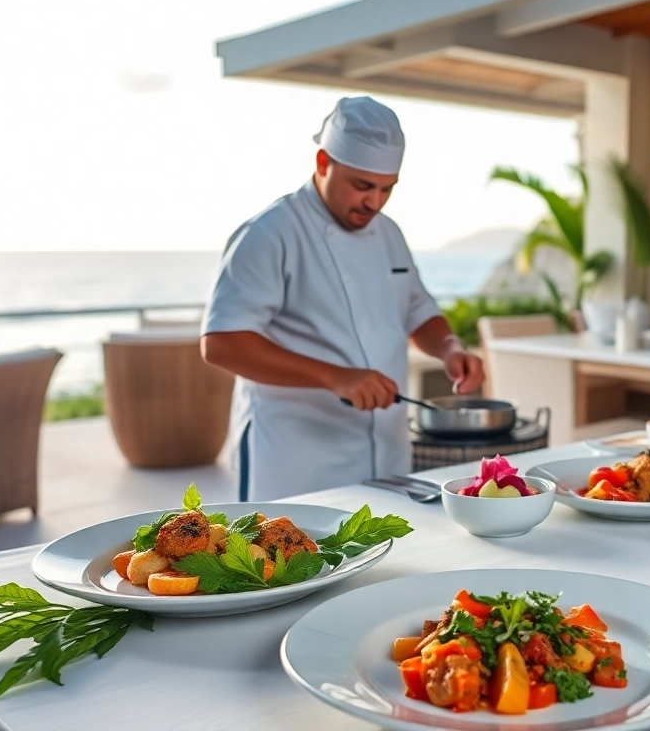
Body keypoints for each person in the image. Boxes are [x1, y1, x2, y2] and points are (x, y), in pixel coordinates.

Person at [201, 96, 485, 501]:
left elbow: (418, 311)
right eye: (362, 186)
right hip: (294, 457)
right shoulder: (269, 233)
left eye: (387, 189)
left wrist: (450, 347)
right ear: (322, 163)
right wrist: (336, 376)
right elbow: (222, 344)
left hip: (386, 452)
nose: (375, 201)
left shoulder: (388, 233)